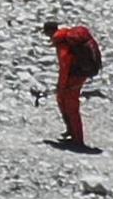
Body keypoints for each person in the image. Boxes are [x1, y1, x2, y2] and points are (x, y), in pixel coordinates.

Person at [44, 20, 102, 151]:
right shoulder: (67, 38)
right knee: (62, 100)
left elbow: (65, 67)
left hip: (75, 76)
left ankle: (77, 139)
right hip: (79, 74)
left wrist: (61, 86)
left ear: (49, 32)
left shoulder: (62, 43)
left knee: (71, 105)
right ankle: (71, 132)